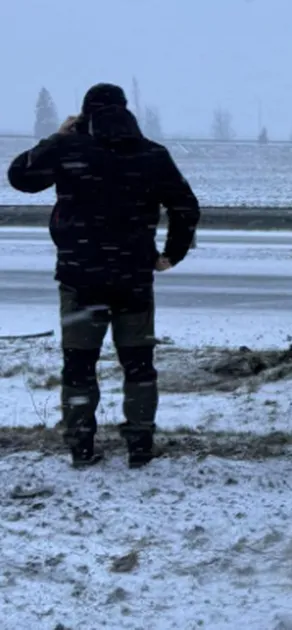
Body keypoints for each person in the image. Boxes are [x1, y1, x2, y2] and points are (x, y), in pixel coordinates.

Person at [6, 83, 201, 469]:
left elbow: (20, 177)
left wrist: (57, 137)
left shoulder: (68, 149)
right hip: (134, 279)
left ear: (84, 113)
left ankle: (81, 447)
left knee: (79, 365)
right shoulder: (152, 154)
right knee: (139, 365)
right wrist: (170, 255)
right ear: (127, 112)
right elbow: (186, 207)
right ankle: (140, 447)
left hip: (80, 279)